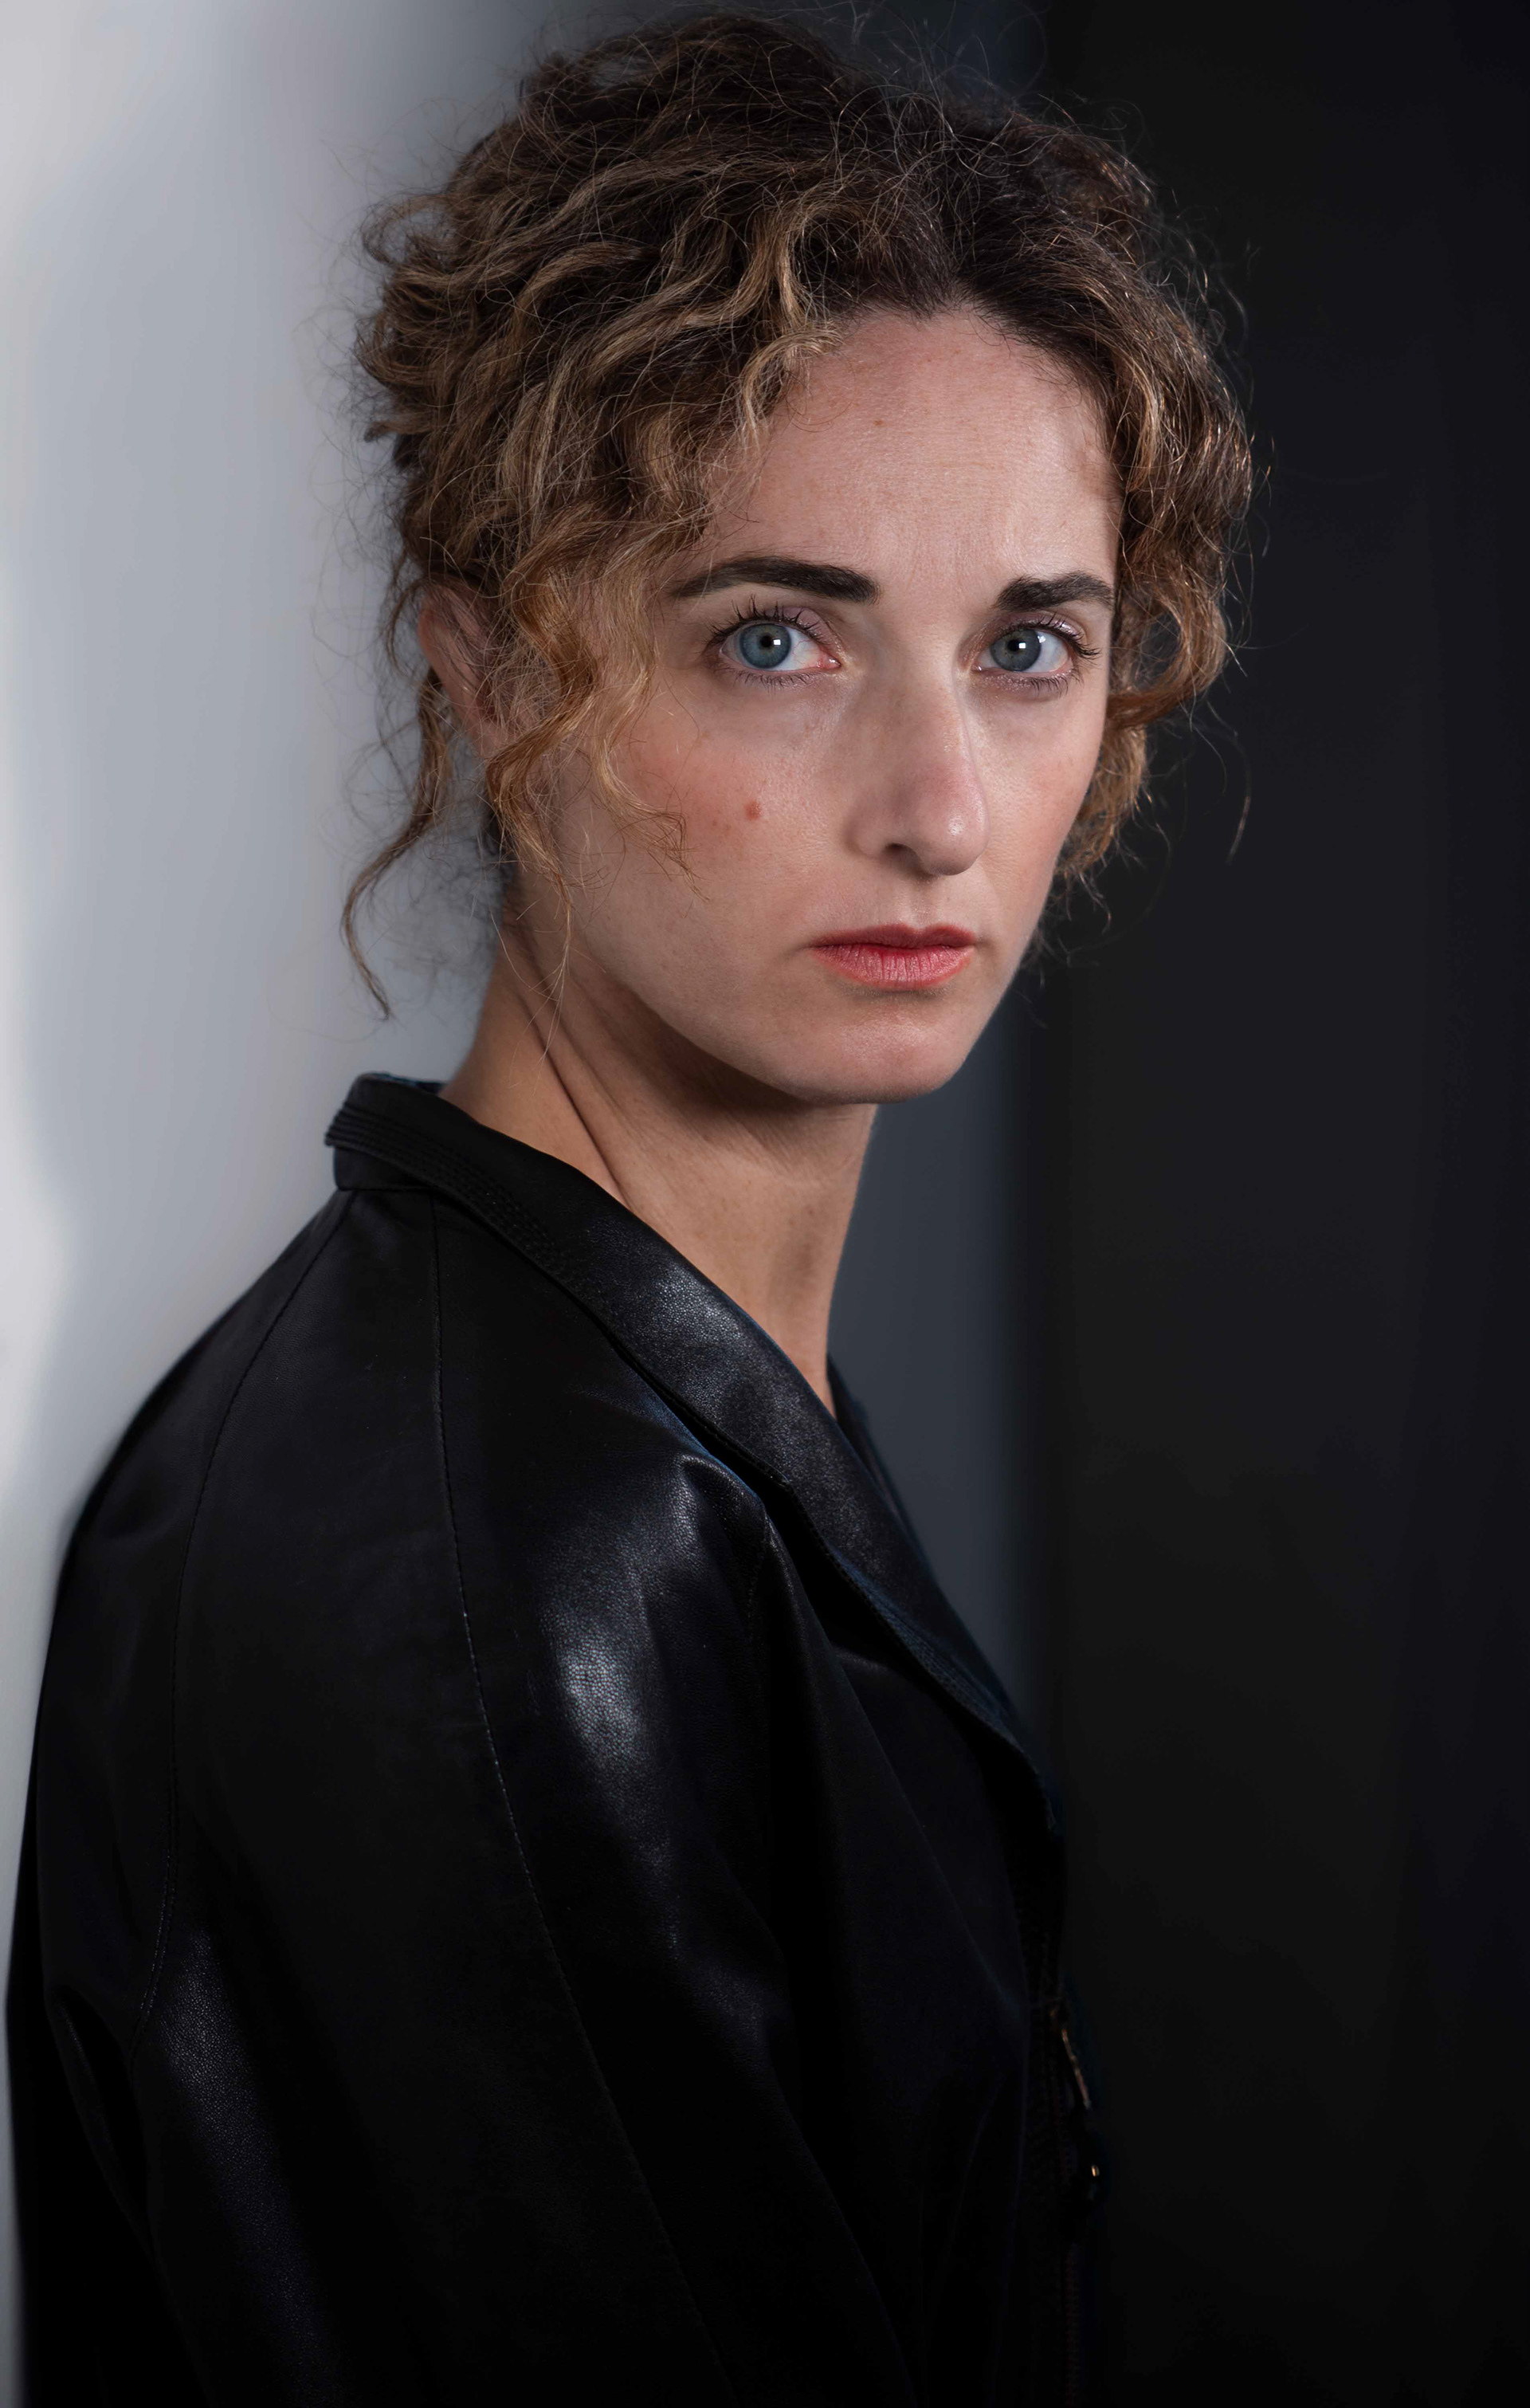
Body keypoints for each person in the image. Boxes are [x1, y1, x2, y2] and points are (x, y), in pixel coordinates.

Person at [9, 14, 1249, 2402]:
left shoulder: (629, 1417)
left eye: (1027, 647)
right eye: (774, 637)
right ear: (493, 674)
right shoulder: (497, 1595)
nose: (938, 804)